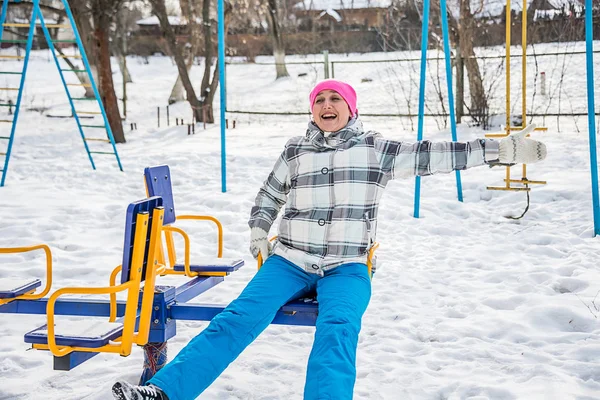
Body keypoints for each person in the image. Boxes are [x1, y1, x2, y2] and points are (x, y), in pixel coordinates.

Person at [112, 79, 547, 400]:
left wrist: (498, 151)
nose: (326, 104)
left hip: (348, 266)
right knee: (235, 319)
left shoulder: (377, 151)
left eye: (335, 98)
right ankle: (164, 392)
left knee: (337, 330)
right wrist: (260, 231)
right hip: (289, 260)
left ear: (351, 108)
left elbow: (433, 155)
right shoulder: (295, 151)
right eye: (319, 99)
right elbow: (268, 194)